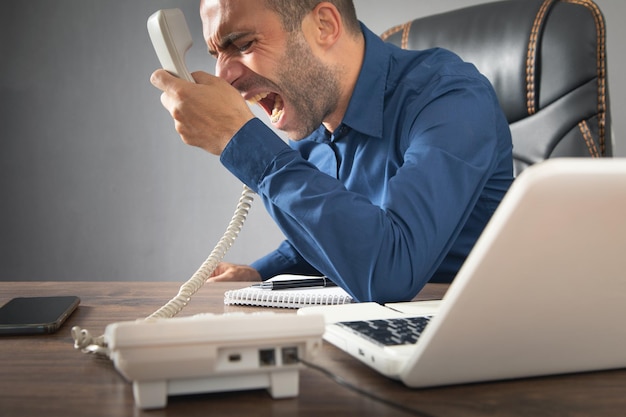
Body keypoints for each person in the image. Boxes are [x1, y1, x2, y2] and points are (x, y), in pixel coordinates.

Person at [150, 0, 514, 303]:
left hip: (479, 326)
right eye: (216, 53)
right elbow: (345, 231)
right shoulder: (310, 118)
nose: (223, 76)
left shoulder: (452, 98)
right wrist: (261, 272)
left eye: (243, 44)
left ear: (324, 25)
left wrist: (242, 141)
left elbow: (390, 270)